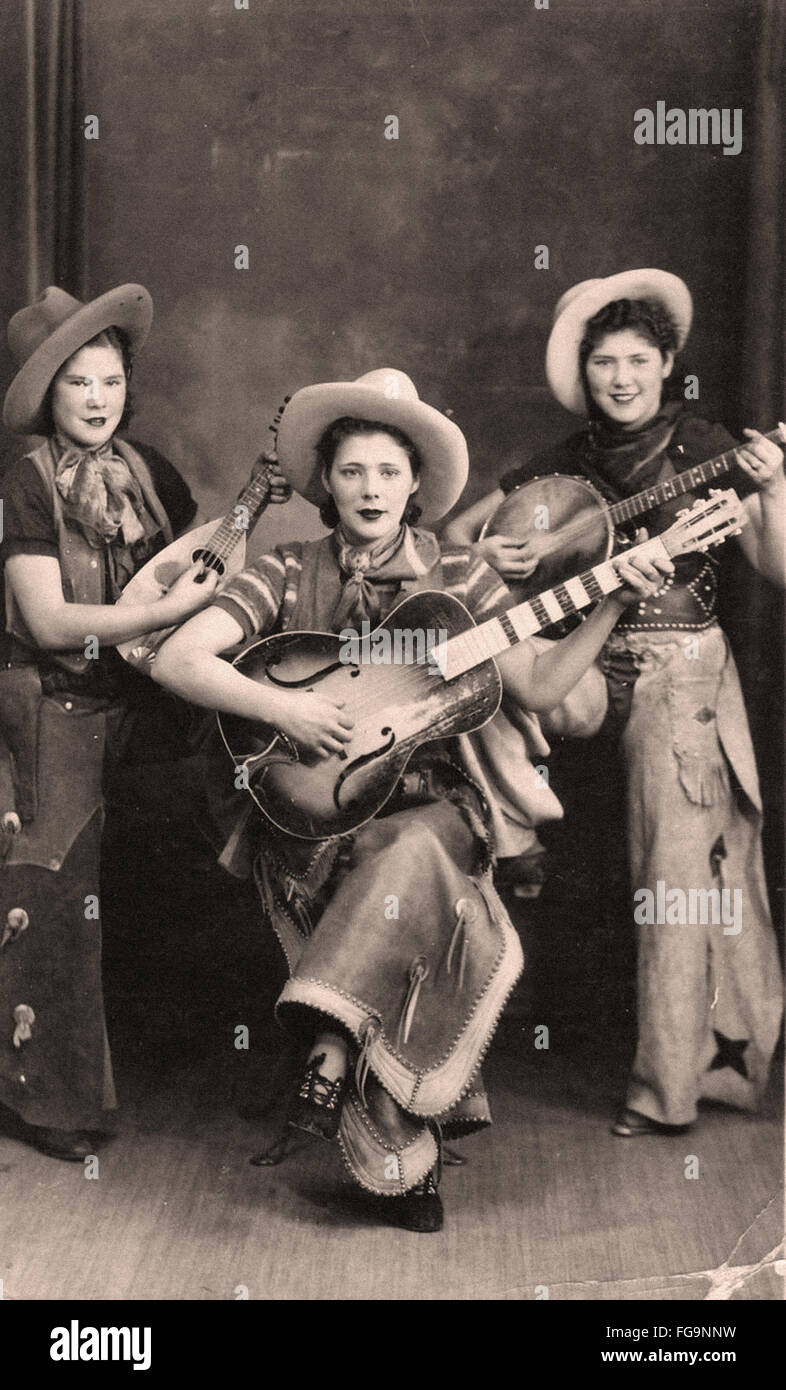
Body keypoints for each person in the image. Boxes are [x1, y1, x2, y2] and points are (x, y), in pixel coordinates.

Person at [151, 366, 668, 1230]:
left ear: (415, 483)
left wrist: (611, 598)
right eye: (352, 471)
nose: (370, 490)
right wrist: (285, 705)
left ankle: (329, 1044)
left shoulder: (461, 576)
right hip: (317, 811)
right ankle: (394, 1148)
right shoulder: (285, 569)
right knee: (402, 866)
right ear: (326, 482)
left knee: (415, 849)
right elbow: (177, 659)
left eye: (389, 472)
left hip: (433, 806)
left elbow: (538, 685)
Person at [444, 269, 784, 1136]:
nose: (622, 378)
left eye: (638, 360)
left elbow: (779, 569)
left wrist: (773, 489)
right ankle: (508, 832)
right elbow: (455, 538)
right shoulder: (569, 459)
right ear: (584, 372)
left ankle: (667, 1091)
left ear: (669, 364)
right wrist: (505, 554)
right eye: (604, 363)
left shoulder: (709, 446)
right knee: (468, 682)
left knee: (673, 879)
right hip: (588, 660)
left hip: (682, 668)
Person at [0, 283, 221, 1161]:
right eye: (77, 385)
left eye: (109, 381)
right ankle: (45, 1101)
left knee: (253, 798)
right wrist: (146, 624)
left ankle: (270, 1050)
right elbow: (50, 624)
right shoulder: (24, 482)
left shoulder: (152, 472)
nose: (97, 400)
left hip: (146, 703)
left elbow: (201, 568)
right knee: (52, 886)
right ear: (49, 396)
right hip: (50, 704)